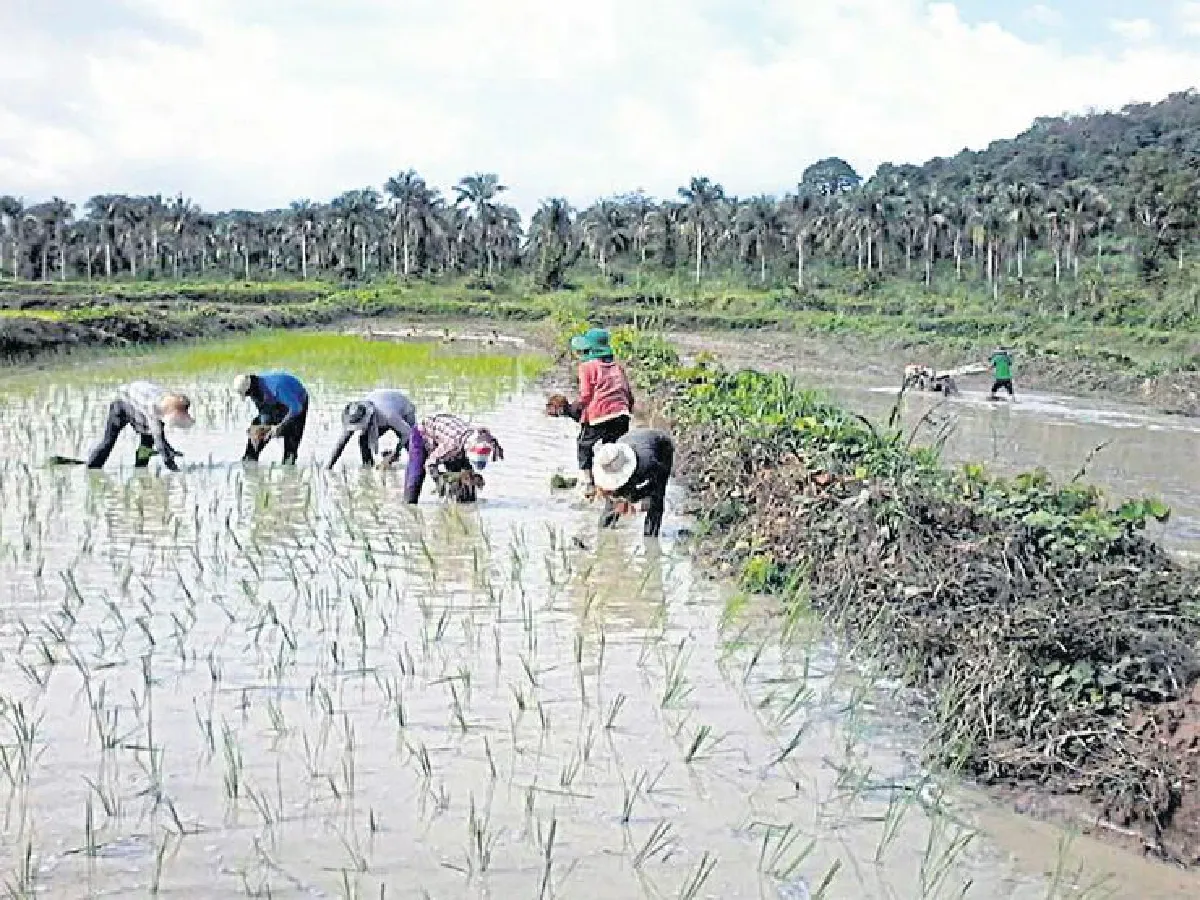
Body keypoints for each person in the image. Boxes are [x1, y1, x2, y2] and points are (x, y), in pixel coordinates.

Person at [552, 328, 635, 500]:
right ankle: (615, 485)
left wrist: (573, 410)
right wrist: (626, 411)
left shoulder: (587, 367)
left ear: (589, 350)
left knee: (583, 444)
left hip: (600, 414)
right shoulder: (617, 367)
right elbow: (628, 393)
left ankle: (588, 483)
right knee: (611, 448)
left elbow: (586, 396)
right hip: (622, 414)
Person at [86, 381, 194, 471]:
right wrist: (173, 468)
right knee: (108, 441)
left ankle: (140, 470)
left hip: (138, 405)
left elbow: (159, 436)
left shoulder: (166, 405)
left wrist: (168, 449)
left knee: (147, 443)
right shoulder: (153, 407)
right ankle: (92, 468)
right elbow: (159, 441)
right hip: (121, 403)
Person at [402, 413, 504, 504]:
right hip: (421, 433)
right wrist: (438, 479)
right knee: (415, 477)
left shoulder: (483, 438)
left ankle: (461, 508)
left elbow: (486, 434)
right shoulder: (451, 446)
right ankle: (408, 506)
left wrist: (496, 447)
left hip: (450, 435)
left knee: (465, 480)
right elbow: (430, 463)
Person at [592, 429, 674, 538]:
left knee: (656, 499)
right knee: (611, 504)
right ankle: (603, 534)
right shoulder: (608, 458)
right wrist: (619, 498)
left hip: (661, 448)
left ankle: (650, 537)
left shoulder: (648, 463)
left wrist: (635, 498)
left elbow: (657, 483)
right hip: (629, 443)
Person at [327, 389, 417, 469]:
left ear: (367, 418)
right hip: (383, 409)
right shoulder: (354, 416)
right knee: (363, 440)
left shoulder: (388, 415)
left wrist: (396, 453)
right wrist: (329, 466)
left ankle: (418, 467)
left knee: (411, 443)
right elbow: (341, 443)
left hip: (403, 410)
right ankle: (368, 467)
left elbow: (407, 432)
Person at [233, 371, 309, 464]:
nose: (250, 396)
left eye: (248, 394)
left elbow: (297, 408)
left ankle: (288, 465)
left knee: (290, 451)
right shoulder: (255, 391)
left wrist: (280, 426)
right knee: (256, 429)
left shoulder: (276, 388)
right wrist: (261, 430)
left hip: (297, 402)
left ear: (250, 388)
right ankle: (250, 458)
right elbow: (264, 414)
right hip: (277, 402)